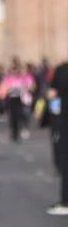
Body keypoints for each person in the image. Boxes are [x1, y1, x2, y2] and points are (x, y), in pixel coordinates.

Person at [46, 60, 68, 215]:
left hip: (65, 119)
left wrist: (54, 116)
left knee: (65, 160)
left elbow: (52, 94)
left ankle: (66, 202)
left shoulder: (62, 69)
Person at [0, 58, 36, 142]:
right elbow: (2, 90)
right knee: (12, 117)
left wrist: (26, 88)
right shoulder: (8, 78)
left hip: (23, 99)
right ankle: (14, 133)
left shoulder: (24, 78)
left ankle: (23, 128)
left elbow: (32, 87)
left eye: (16, 69)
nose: (15, 72)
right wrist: (10, 89)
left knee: (23, 115)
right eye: (13, 70)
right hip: (11, 99)